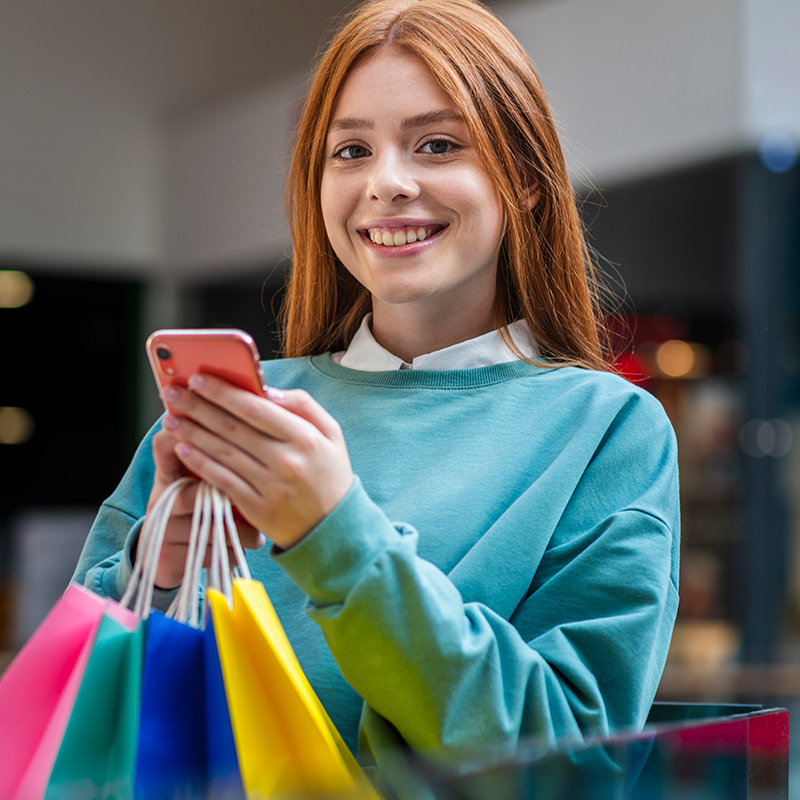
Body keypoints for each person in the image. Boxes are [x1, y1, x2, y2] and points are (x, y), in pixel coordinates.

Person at [73, 0, 679, 786]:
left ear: (526, 180)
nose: (386, 183)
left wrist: (336, 537)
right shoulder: (249, 409)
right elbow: (81, 726)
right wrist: (156, 577)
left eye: (437, 145)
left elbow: (566, 767)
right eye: (351, 150)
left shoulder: (605, 431)